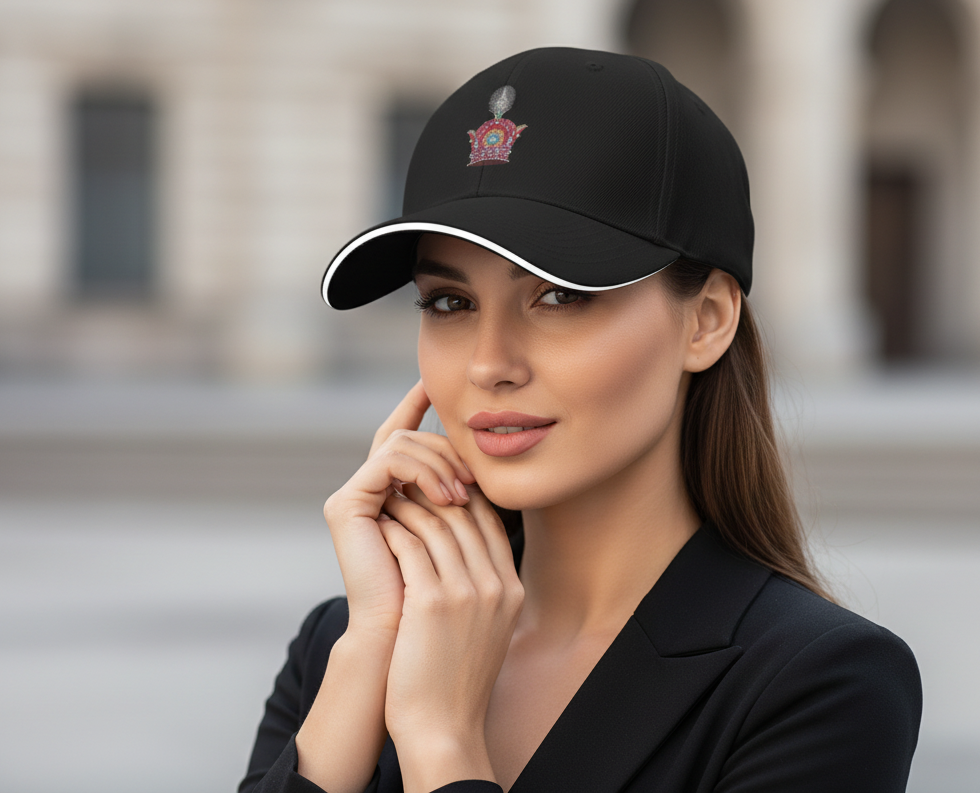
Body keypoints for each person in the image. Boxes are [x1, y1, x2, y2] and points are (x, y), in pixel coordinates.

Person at [239, 47, 922, 793]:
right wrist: (369, 653)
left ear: (707, 320)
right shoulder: (342, 644)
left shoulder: (820, 684)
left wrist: (442, 740)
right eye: (449, 303)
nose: (488, 364)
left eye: (558, 296)